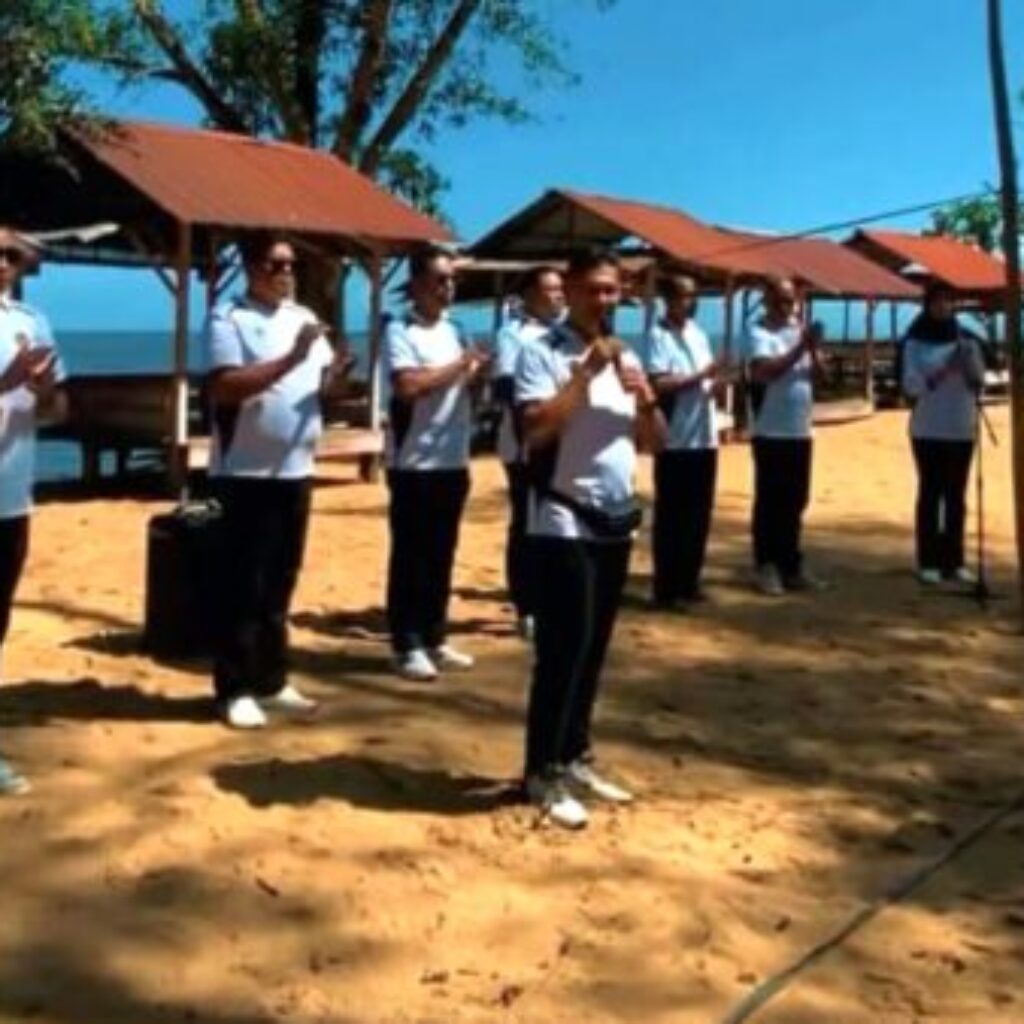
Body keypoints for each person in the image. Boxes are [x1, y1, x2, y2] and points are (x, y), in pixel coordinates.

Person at [515, 247, 667, 829]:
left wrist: (645, 398)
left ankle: (575, 754)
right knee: (563, 648)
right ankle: (541, 770)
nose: (603, 300)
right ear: (571, 291)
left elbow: (657, 442)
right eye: (593, 289)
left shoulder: (628, 356)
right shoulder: (542, 352)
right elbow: (535, 429)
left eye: (612, 291)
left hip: (614, 516)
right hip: (561, 517)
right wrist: (584, 373)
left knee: (596, 648)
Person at [206, 233, 351, 729]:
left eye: (291, 265)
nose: (285, 273)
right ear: (250, 268)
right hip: (245, 471)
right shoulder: (229, 318)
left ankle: (271, 677)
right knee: (242, 583)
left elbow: (323, 384)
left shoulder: (305, 319)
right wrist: (290, 359)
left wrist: (337, 375)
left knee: (281, 580)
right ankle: (234, 687)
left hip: (296, 469)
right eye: (275, 264)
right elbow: (225, 387)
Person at [384, 247, 490, 681]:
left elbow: (460, 388)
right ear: (417, 285)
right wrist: (460, 365)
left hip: (453, 457)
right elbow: (409, 385)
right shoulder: (400, 329)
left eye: (451, 281)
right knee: (412, 555)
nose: (448, 288)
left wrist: (476, 377)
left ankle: (434, 634)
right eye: (439, 280)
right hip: (413, 461)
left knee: (442, 553)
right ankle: (406, 642)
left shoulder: (455, 328)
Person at [0, 227, 68, 793]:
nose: (4, 262)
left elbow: (58, 409)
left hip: (12, 493)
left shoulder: (31, 321)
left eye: (12, 255)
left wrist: (44, 391)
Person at [492, 266, 565, 638]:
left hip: (566, 444)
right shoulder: (513, 335)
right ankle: (526, 605)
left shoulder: (567, 332)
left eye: (560, 289)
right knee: (526, 523)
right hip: (524, 445)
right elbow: (505, 388)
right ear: (530, 297)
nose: (558, 296)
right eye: (549, 290)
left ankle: (552, 596)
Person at [644, 274, 722, 607]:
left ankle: (690, 580)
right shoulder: (656, 336)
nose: (691, 302)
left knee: (699, 514)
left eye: (694, 295)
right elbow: (659, 383)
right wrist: (700, 377)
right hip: (675, 437)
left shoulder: (698, 333)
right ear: (669, 298)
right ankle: (667, 587)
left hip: (704, 434)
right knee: (672, 516)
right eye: (684, 296)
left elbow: (705, 377)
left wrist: (714, 383)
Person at [901, 282, 985, 585]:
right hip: (928, 428)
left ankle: (955, 560)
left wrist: (971, 365)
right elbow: (911, 387)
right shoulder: (915, 342)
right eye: (937, 302)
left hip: (962, 428)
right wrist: (943, 370)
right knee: (931, 493)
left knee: (956, 497)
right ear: (928, 306)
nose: (943, 307)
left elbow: (979, 382)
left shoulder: (968, 340)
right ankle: (928, 561)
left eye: (948, 302)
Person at [745, 277, 824, 597]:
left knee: (795, 500)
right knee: (770, 501)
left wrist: (814, 350)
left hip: (800, 428)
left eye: (790, 301)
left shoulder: (797, 329)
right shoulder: (757, 331)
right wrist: (801, 347)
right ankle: (767, 565)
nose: (785, 307)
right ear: (766, 301)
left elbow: (820, 376)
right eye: (779, 300)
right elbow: (766, 370)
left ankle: (791, 564)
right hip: (770, 429)